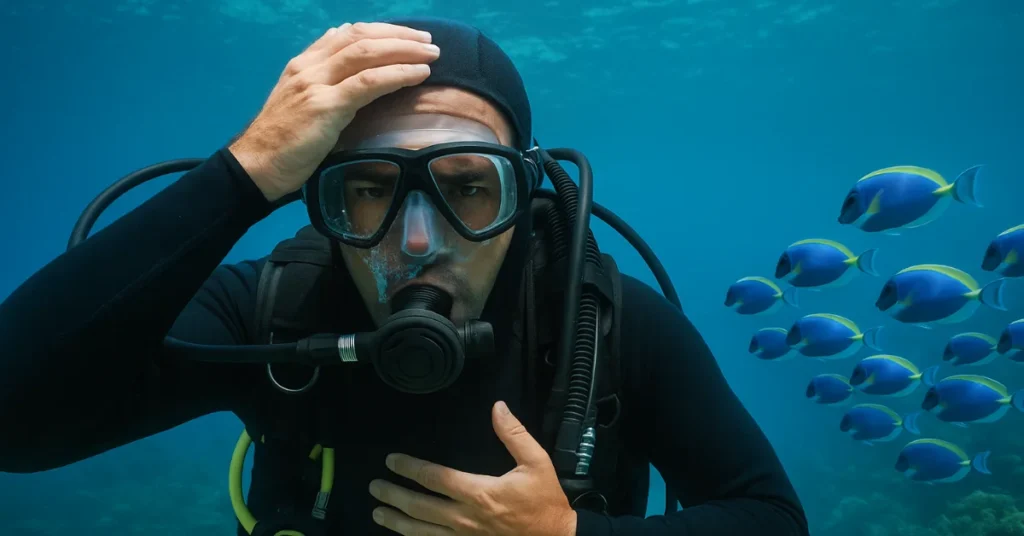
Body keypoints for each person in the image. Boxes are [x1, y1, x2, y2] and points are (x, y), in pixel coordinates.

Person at [0, 16, 809, 536]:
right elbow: (12, 422)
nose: (418, 242)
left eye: (467, 189)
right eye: (370, 190)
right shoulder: (280, 312)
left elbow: (772, 519)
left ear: (523, 195)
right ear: (321, 197)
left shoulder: (599, 321)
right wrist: (240, 176)